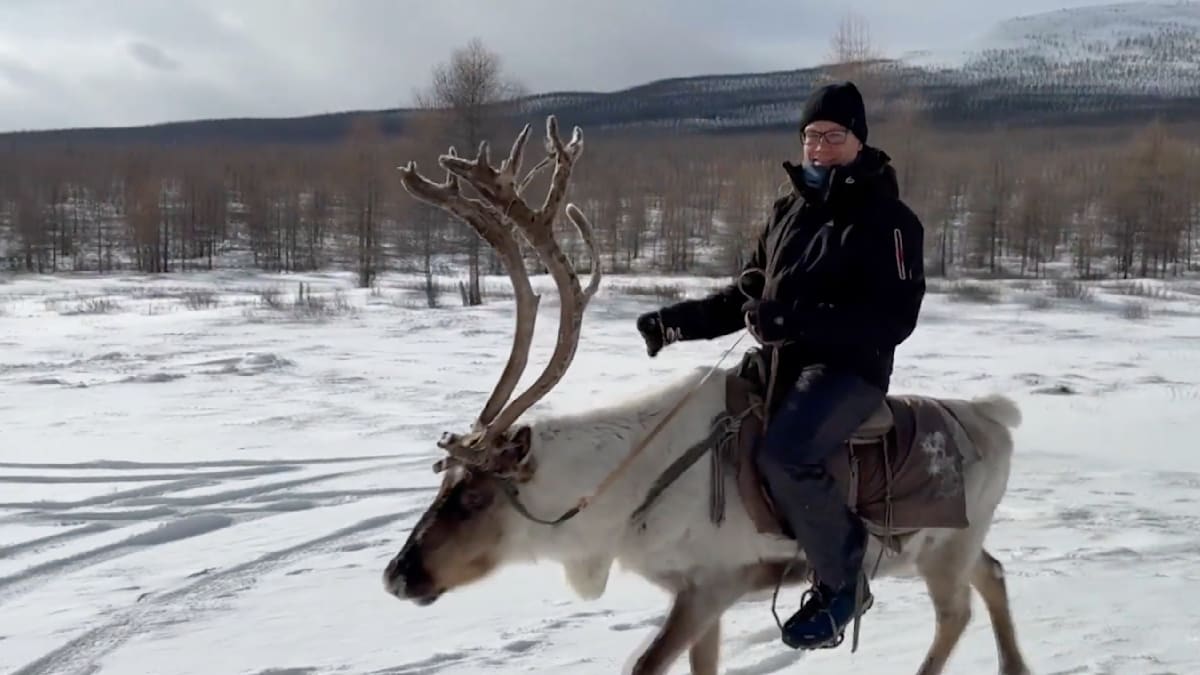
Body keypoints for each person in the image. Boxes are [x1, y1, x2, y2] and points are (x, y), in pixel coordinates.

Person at [635, 81, 926, 650]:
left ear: (858, 141)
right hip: (780, 363)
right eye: (811, 135)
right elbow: (749, 296)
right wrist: (676, 323)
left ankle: (843, 584)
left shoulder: (891, 221)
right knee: (701, 418)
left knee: (786, 454)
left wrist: (794, 323)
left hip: (848, 370)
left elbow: (893, 319)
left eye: (833, 136)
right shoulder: (788, 210)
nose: (819, 147)